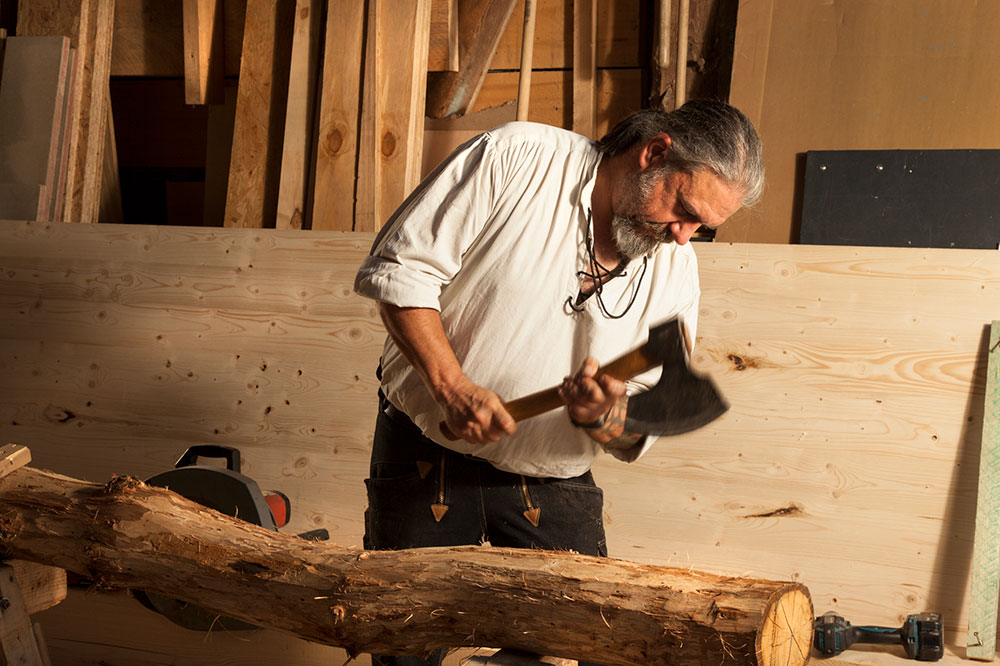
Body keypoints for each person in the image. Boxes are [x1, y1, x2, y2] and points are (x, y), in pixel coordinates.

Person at [353, 99, 763, 666]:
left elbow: (646, 414)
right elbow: (402, 271)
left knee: (591, 644)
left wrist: (606, 416)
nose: (684, 237)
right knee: (401, 644)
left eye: (703, 228)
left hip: (552, 474)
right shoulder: (519, 159)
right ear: (655, 152)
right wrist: (452, 385)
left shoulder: (675, 270)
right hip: (426, 450)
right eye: (684, 209)